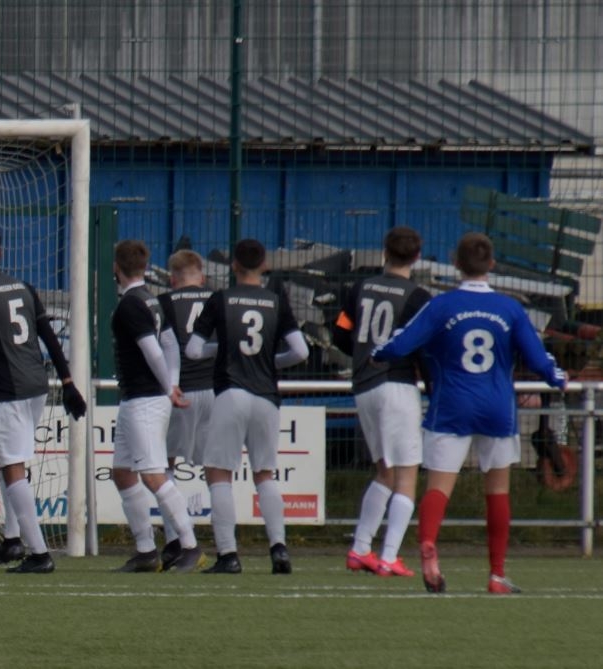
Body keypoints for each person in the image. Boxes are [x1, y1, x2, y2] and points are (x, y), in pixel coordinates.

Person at [373, 232, 566, 594]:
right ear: (491, 265)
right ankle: (496, 575)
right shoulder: (510, 309)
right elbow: (539, 360)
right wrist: (558, 378)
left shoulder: (442, 306)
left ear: (456, 264)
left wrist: (377, 354)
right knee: (497, 488)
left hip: (451, 406)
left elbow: (402, 343)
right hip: (496, 408)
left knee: (438, 488)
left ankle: (429, 547)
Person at [0, 225, 87, 575]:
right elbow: (49, 335)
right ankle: (12, 539)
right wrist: (67, 381)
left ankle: (38, 553)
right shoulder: (23, 287)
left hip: (9, 390)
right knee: (6, 458)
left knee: (12, 467)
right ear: (1, 253)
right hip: (37, 385)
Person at [186, 239, 309, 575]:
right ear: (264, 264)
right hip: (267, 396)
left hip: (231, 392)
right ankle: (279, 549)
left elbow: (195, 350)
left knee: (218, 472)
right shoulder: (276, 301)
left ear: (234, 266)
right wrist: (271, 360)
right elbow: (301, 352)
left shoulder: (221, 299)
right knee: (265, 474)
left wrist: (225, 350)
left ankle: (229, 555)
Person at [333, 226, 431, 578]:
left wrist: (360, 354)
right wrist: (434, 391)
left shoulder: (359, 288)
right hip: (397, 386)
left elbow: (340, 332)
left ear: (384, 252)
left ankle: (360, 549)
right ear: (417, 257)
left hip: (364, 385)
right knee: (407, 474)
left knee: (385, 472)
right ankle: (389, 555)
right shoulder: (419, 298)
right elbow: (426, 350)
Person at [108, 240, 205, 573]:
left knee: (153, 475)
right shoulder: (151, 301)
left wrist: (168, 388)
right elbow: (171, 345)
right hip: (138, 398)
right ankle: (146, 550)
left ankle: (190, 545)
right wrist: (172, 382)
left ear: (115, 269)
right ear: (145, 268)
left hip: (145, 400)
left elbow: (153, 350)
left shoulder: (131, 306)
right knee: (122, 472)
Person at [157, 249, 215, 570]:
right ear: (202, 276)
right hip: (216, 391)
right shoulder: (218, 300)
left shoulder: (165, 302)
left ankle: (176, 540)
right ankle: (227, 546)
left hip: (181, 392)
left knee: (164, 464)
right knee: (216, 470)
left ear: (172, 279)